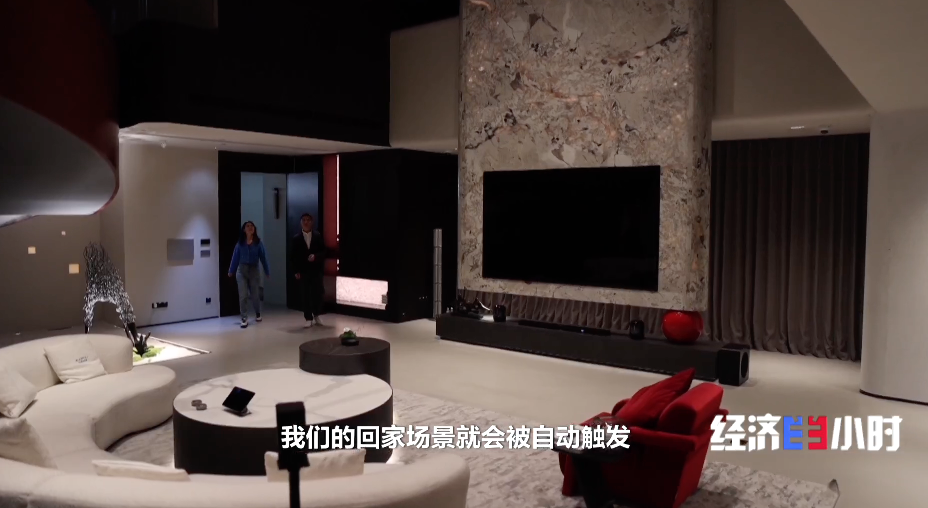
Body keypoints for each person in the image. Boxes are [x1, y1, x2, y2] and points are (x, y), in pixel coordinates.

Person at [228, 221, 270, 328]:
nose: (250, 228)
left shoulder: (258, 243)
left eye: (252, 226)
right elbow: (235, 257)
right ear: (244, 230)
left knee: (255, 295)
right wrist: (231, 270)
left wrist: (267, 271)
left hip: (254, 270)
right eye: (247, 226)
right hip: (242, 270)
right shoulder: (240, 243)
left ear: (254, 229)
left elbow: (263, 258)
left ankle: (258, 313)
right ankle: (244, 318)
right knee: (243, 295)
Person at [291, 213, 325, 327]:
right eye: (304, 220)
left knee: (318, 293)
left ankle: (317, 314)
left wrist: (315, 257)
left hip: (316, 270)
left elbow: (323, 252)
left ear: (312, 222)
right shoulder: (296, 238)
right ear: (301, 223)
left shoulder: (317, 236)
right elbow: (293, 256)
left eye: (308, 220)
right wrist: (296, 271)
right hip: (303, 270)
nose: (306, 222)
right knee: (305, 294)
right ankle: (308, 317)